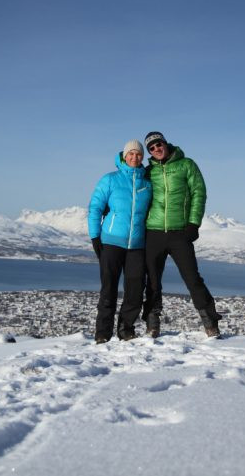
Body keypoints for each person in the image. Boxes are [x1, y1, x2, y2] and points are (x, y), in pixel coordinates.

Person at [141, 131, 222, 338]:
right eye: (151, 148)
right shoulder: (149, 172)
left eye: (158, 144)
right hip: (154, 232)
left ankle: (210, 321)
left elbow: (199, 192)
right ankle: (152, 322)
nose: (156, 149)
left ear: (166, 144)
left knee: (192, 278)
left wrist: (193, 224)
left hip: (180, 232)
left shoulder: (187, 164)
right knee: (152, 281)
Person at [88, 140, 153, 344]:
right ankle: (102, 333)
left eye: (139, 154)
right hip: (111, 243)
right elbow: (95, 208)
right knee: (109, 289)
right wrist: (95, 237)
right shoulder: (110, 180)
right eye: (131, 154)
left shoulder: (147, 183)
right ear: (124, 156)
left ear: (143, 157)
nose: (135, 157)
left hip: (137, 245)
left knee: (135, 290)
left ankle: (126, 329)